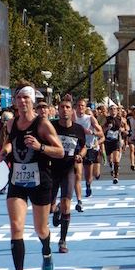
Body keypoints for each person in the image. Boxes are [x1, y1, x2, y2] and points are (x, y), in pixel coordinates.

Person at [0, 81, 64, 270]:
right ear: (15, 102)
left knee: (40, 229)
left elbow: (60, 151)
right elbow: (10, 142)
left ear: (32, 101)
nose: (22, 101)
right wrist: (4, 151)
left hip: (40, 181)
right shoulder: (10, 124)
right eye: (19, 98)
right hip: (17, 181)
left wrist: (40, 146)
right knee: (16, 227)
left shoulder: (42, 124)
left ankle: (46, 250)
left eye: (26, 97)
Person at [50, 97, 86, 253]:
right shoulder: (52, 127)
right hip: (51, 170)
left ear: (72, 111)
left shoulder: (78, 129)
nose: (64, 110)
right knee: (51, 208)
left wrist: (81, 156)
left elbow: (84, 147)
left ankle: (62, 240)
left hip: (68, 169)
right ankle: (56, 208)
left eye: (67, 107)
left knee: (66, 203)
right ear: (58, 110)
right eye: (62, 107)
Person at [73, 100, 103, 212]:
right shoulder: (73, 118)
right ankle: (79, 198)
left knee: (88, 174)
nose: (80, 107)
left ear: (85, 107)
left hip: (89, 147)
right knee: (77, 174)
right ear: (76, 107)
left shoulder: (90, 118)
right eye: (78, 105)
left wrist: (92, 133)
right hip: (76, 149)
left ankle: (88, 184)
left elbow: (101, 133)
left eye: (82, 106)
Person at [103, 105, 128, 184]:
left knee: (116, 159)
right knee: (109, 159)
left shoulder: (121, 119)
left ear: (117, 111)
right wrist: (107, 128)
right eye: (111, 109)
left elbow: (127, 129)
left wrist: (123, 129)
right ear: (109, 111)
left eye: (114, 109)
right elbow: (101, 129)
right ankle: (111, 167)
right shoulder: (106, 119)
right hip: (107, 141)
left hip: (116, 141)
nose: (113, 110)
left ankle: (116, 176)